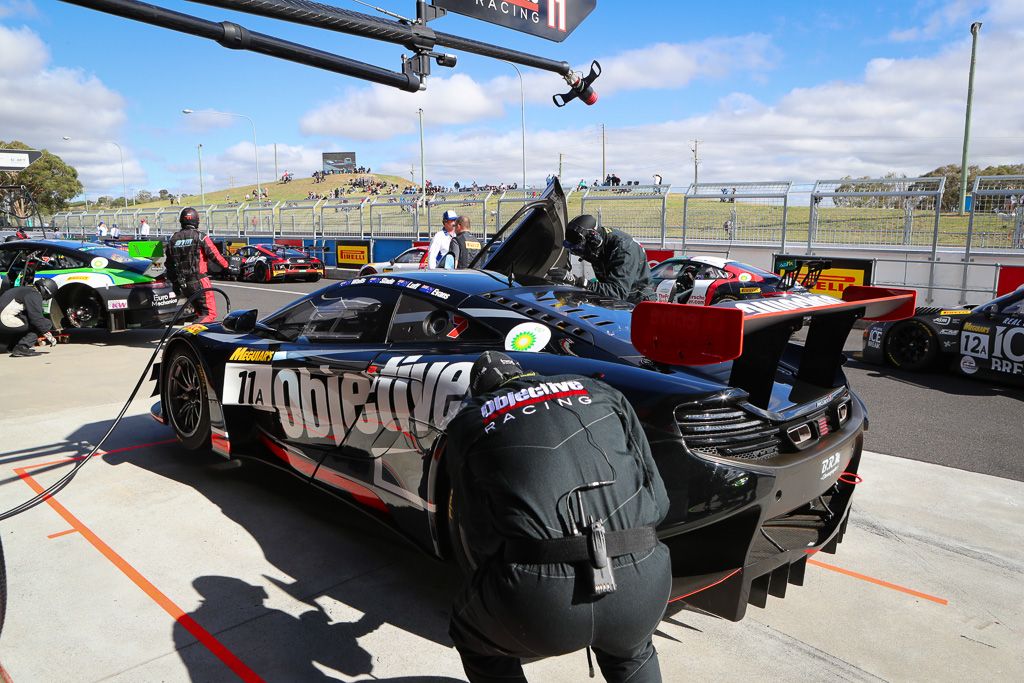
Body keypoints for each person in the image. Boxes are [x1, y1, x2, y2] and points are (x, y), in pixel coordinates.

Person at [446, 351, 672, 683]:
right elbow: (659, 501)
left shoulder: (469, 422)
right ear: (524, 373)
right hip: (642, 579)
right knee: (631, 650)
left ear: (481, 391)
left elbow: (480, 537)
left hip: (541, 600)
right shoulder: (601, 391)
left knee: (471, 635)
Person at [560, 215, 655, 303]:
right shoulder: (597, 246)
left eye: (580, 249)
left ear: (594, 240)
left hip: (639, 303)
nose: (580, 254)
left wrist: (580, 282)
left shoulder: (624, 249)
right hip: (615, 302)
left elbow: (618, 292)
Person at [164, 207, 228, 324]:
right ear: (196, 220)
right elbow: (215, 256)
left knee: (200, 314)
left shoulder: (173, 239)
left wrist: (175, 284)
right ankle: (190, 335)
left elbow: (169, 265)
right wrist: (227, 266)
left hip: (184, 284)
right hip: (199, 281)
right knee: (209, 314)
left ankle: (199, 338)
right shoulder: (200, 236)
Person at [0, 277, 58, 357]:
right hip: (4, 320)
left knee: (26, 318)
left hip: (4, 319)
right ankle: (22, 347)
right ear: (46, 291)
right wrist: (49, 335)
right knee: (45, 323)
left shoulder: (26, 289)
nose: (44, 299)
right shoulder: (34, 294)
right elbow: (37, 319)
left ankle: (12, 346)